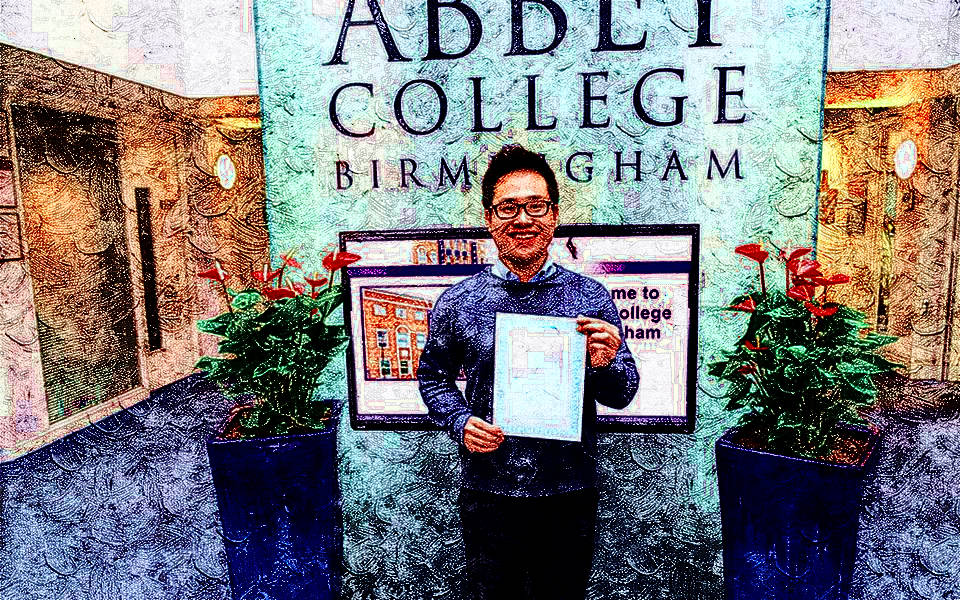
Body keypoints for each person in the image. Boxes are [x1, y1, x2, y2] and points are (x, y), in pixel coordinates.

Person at [417, 145, 640, 600]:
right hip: (489, 493)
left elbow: (622, 393)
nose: (523, 219)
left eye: (536, 206)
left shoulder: (590, 297)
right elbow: (432, 376)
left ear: (554, 216)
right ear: (489, 218)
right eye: (508, 207)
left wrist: (606, 362)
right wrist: (460, 421)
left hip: (568, 493)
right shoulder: (459, 300)